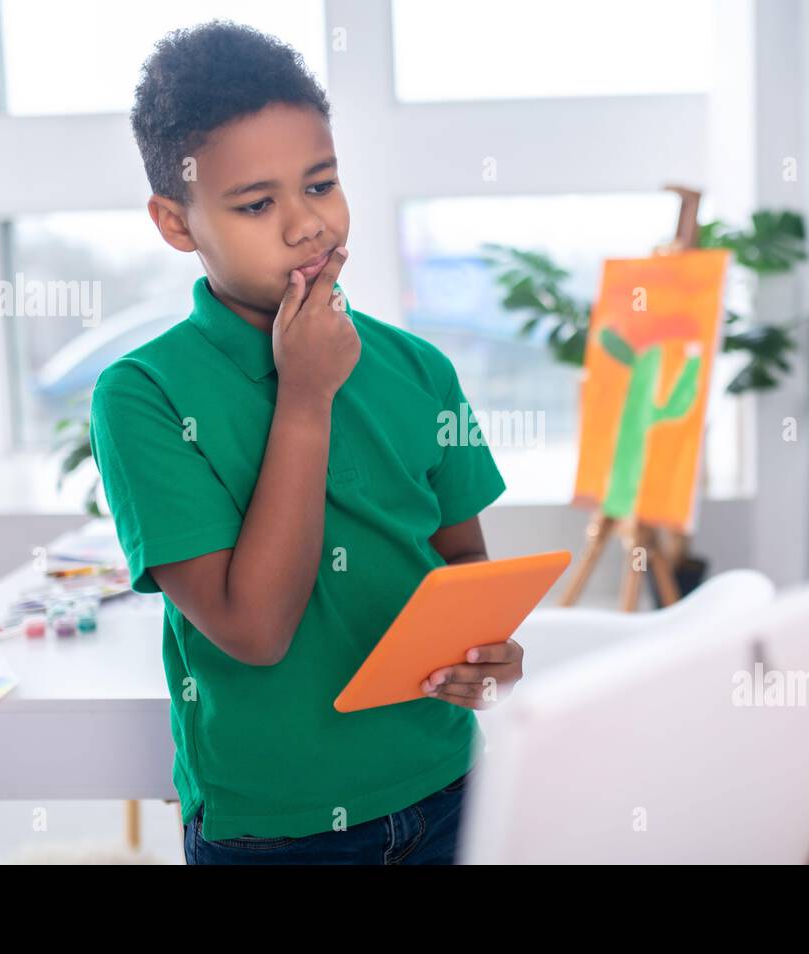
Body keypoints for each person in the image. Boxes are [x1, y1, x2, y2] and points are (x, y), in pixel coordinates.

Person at [89, 20, 514, 864]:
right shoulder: (140, 395)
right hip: (276, 826)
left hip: (448, 786)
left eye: (320, 184)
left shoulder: (418, 368)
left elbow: (460, 562)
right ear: (177, 222)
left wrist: (485, 656)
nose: (305, 225)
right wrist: (305, 396)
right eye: (256, 204)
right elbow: (254, 631)